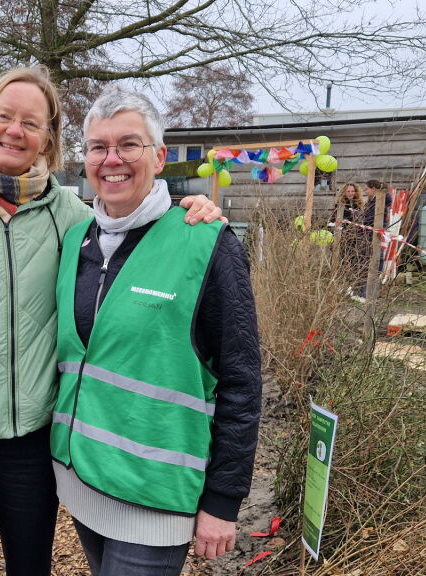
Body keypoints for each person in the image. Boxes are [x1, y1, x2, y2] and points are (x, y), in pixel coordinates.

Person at [0, 66, 222, 576]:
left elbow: (135, 226)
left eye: (32, 123)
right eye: (4, 116)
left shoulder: (73, 216)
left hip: (35, 433)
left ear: (48, 139)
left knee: (30, 563)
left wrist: (189, 210)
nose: (15, 131)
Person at [50, 86, 262, 576]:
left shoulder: (205, 243)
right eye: (98, 147)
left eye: (129, 145)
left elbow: (242, 380)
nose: (112, 160)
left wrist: (224, 499)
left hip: (156, 497)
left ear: (159, 157)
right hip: (82, 481)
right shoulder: (76, 242)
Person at [333, 182, 368, 297]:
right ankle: (341, 287)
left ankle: (355, 288)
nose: (350, 193)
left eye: (352, 191)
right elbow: (334, 220)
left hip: (358, 239)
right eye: (348, 191)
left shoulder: (360, 205)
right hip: (344, 238)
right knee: (343, 263)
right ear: (344, 192)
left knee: (356, 264)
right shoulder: (340, 205)